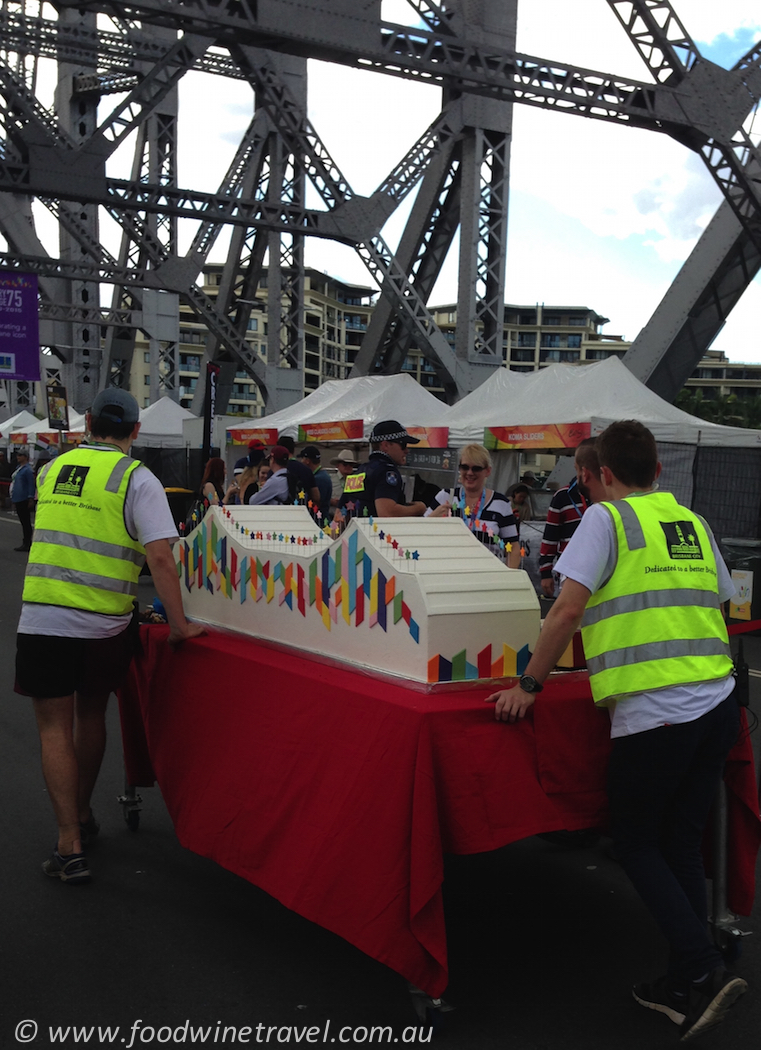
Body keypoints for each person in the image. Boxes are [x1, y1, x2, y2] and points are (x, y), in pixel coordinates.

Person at [487, 420, 746, 1043]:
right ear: (659, 469)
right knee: (680, 839)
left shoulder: (605, 520)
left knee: (633, 842)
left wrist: (529, 684)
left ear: (601, 474)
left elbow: (566, 609)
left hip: (654, 712)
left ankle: (703, 968)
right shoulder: (692, 522)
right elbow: (720, 601)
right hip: (715, 703)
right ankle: (691, 966)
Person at [15, 387, 204, 884]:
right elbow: (161, 558)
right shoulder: (137, 479)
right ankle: (81, 814)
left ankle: (68, 842)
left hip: (43, 618)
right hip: (103, 623)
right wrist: (180, 626)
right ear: (135, 431)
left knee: (52, 728)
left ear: (88, 423)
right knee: (91, 715)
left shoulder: (51, 469)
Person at [427, 444, 521, 567]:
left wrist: (510, 578)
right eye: (465, 467)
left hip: (486, 577)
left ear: (487, 471)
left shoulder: (501, 503)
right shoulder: (445, 497)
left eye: (476, 468)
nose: (470, 473)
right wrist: (432, 519)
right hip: (447, 574)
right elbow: (420, 535)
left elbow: (513, 547)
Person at [337, 420, 427, 519]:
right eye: (403, 445)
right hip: (377, 533)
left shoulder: (359, 471)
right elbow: (387, 513)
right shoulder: (387, 472)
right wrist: (419, 509)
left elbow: (339, 515)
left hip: (357, 532)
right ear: (385, 446)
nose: (406, 451)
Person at [538, 461, 589, 597]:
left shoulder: (604, 495)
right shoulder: (563, 496)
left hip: (599, 570)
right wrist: (546, 571)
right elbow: (550, 536)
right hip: (570, 572)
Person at [278, 435, 320, 506]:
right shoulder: (306, 470)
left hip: (279, 511)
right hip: (301, 511)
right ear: (293, 449)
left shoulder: (276, 468)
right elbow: (316, 496)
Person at [11, 450, 35, 552]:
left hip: (24, 498)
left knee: (26, 522)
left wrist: (30, 498)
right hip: (18, 497)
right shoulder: (19, 469)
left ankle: (27, 542)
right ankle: (26, 542)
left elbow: (31, 484)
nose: (18, 457)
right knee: (23, 521)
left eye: (20, 455)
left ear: (25, 457)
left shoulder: (28, 470)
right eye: (18, 455)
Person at [299, 446, 332, 520]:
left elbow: (317, 502)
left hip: (319, 522)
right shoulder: (321, 475)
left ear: (307, 461)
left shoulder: (319, 478)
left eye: (302, 459)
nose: (301, 461)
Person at [330, 448, 359, 515]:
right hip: (333, 516)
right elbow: (321, 499)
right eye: (345, 464)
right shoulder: (330, 479)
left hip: (350, 517)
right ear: (337, 465)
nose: (348, 466)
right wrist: (331, 501)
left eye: (351, 464)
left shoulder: (356, 481)